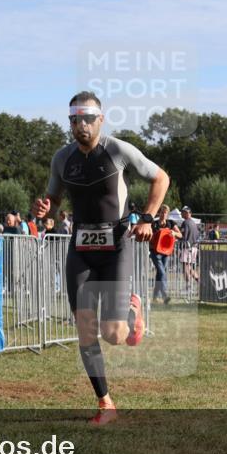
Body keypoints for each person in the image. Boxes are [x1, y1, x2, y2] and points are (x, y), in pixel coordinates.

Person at [33, 91, 169, 426]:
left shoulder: (118, 150)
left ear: (100, 119)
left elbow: (160, 178)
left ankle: (132, 310)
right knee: (84, 329)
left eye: (88, 118)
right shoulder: (62, 158)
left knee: (113, 334)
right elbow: (53, 199)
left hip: (116, 245)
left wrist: (149, 217)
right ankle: (105, 402)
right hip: (80, 247)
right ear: (70, 122)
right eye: (75, 119)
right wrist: (43, 210)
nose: (82, 125)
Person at [149, 204, 181, 306]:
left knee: (159, 274)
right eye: (162, 212)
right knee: (162, 273)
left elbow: (180, 234)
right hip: (155, 253)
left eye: (165, 212)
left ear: (167, 214)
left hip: (166, 253)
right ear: (159, 213)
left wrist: (174, 233)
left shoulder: (171, 223)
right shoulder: (154, 224)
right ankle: (164, 295)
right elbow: (149, 236)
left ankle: (154, 297)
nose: (163, 214)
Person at [179, 206, 201, 288]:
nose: (182, 213)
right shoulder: (194, 223)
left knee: (185, 267)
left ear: (188, 213)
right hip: (194, 247)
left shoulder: (185, 223)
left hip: (187, 247)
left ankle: (188, 286)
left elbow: (183, 236)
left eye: (183, 212)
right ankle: (199, 280)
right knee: (189, 267)